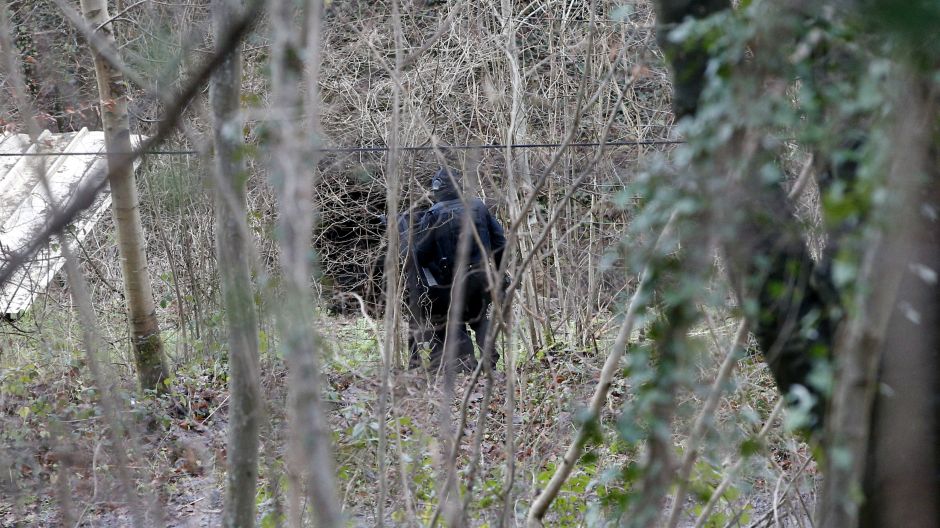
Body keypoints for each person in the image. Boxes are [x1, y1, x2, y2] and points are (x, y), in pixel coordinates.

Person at [412, 167, 506, 372]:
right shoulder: (478, 207)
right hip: (482, 275)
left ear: (439, 189)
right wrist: (500, 274)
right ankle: (489, 361)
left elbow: (420, 254)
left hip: (450, 280)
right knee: (480, 318)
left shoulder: (434, 214)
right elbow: (500, 242)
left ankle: (467, 365)